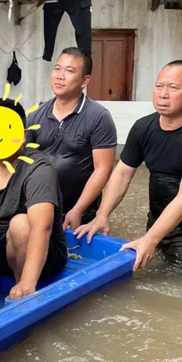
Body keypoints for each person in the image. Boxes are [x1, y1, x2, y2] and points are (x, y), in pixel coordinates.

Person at [76, 60, 182, 271]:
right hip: (157, 217)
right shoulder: (143, 127)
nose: (163, 94)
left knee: (176, 277)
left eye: (173, 87)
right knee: (146, 268)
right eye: (159, 86)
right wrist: (101, 215)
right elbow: (122, 173)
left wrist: (150, 239)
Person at [0, 99, 67, 301]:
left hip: (41, 253)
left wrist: (27, 282)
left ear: (22, 135)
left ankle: (22, 288)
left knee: (20, 224)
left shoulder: (38, 169)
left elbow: (42, 228)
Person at [28, 47, 117, 229]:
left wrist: (78, 210)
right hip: (40, 206)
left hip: (81, 211)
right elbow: (23, 162)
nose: (60, 76)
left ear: (85, 80)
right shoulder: (35, 115)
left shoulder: (98, 117)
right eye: (57, 69)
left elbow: (103, 169)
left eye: (69, 71)